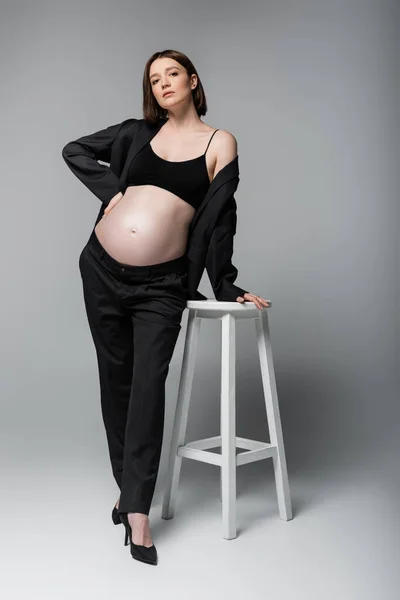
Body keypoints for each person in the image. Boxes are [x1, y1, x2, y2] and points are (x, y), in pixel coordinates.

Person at [62, 49, 269, 566]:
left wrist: (226, 284)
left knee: (148, 388)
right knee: (117, 382)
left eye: (172, 74)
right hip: (102, 271)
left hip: (161, 286)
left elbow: (221, 218)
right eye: (154, 79)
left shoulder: (219, 142)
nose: (163, 84)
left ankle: (137, 512)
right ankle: (127, 494)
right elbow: (75, 150)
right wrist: (113, 192)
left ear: (192, 80)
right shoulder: (136, 133)